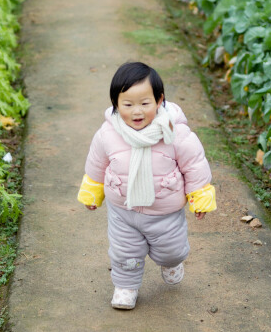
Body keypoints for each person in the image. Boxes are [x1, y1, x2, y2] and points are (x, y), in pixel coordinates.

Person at [78, 61, 216, 310]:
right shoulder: (107, 134)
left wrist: (200, 196)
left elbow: (194, 165)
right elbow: (96, 164)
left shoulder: (174, 132)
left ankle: (171, 263)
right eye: (128, 104)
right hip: (124, 210)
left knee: (171, 250)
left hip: (165, 212)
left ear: (160, 100)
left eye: (145, 103)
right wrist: (92, 191)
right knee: (125, 252)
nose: (136, 111)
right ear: (116, 105)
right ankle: (126, 287)